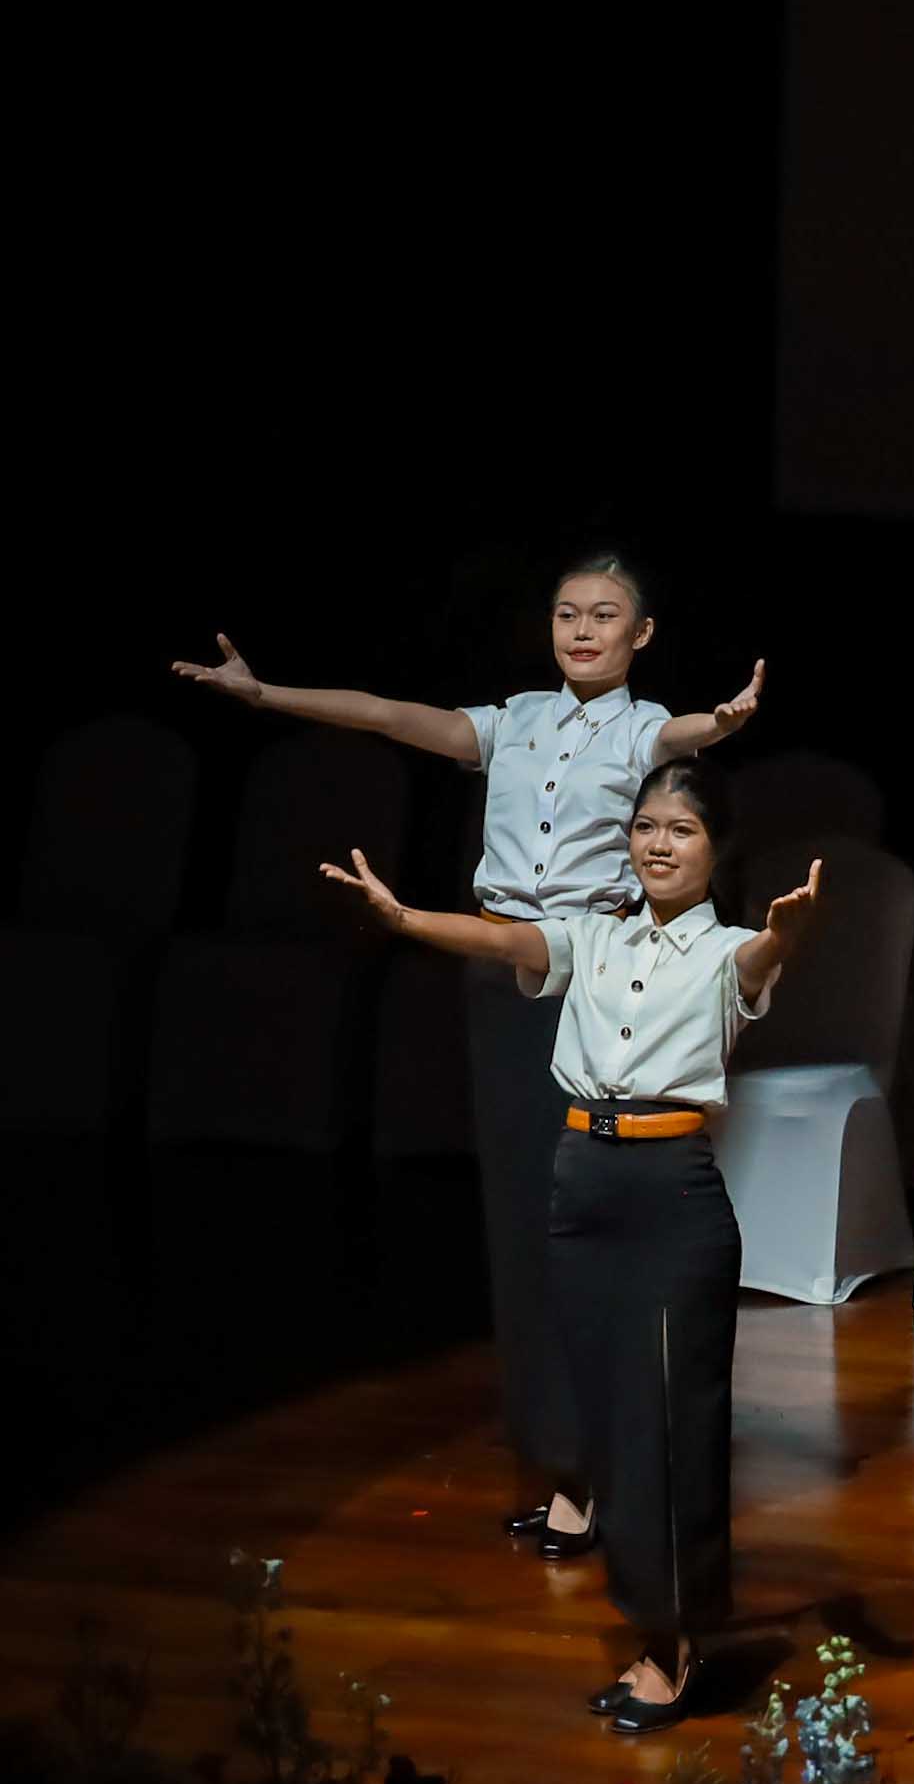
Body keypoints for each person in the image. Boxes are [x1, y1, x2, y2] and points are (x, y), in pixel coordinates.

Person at [176, 557, 763, 1557]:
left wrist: (725, 721)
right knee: (521, 1231)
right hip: (496, 972)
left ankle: (607, 1474)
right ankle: (566, 1465)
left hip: (581, 976)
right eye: (567, 613)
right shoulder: (514, 718)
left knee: (577, 1223)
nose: (583, 630)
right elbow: (388, 715)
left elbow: (686, 737)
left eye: (605, 616)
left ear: (642, 635)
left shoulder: (643, 727)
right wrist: (265, 694)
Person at [321, 761, 821, 1730]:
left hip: (670, 1193)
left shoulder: (728, 950)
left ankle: (674, 1648)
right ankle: (650, 1629)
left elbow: (764, 958)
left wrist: (788, 932)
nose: (659, 843)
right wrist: (404, 917)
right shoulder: (592, 935)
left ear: (717, 849)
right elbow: (503, 936)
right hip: (581, 1183)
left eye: (682, 828)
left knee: (666, 1427)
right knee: (608, 1427)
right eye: (646, 825)